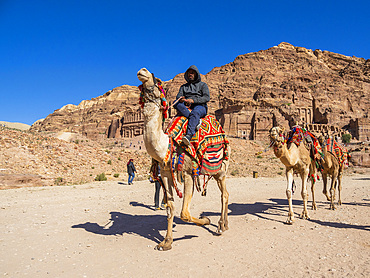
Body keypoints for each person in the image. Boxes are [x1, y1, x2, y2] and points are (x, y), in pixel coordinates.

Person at [174, 65, 210, 146]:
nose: (190, 74)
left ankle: (189, 135)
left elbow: (207, 98)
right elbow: (178, 97)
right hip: (187, 107)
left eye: (192, 73)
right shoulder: (183, 87)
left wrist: (193, 100)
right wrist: (182, 99)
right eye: (189, 73)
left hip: (200, 106)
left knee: (196, 112)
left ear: (196, 74)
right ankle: (194, 119)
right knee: (176, 103)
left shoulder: (202, 85)